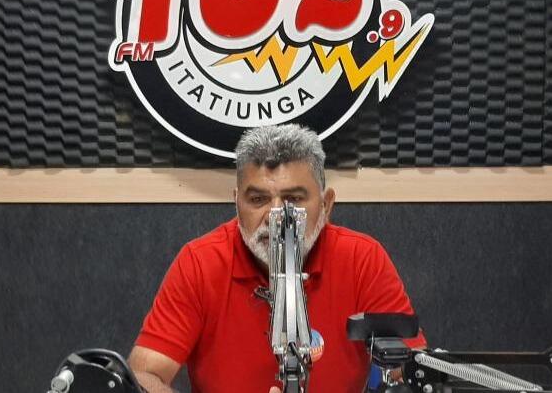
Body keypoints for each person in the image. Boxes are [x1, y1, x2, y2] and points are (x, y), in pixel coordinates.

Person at [128, 124, 425, 393]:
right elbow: (144, 375)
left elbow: (410, 370)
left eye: (294, 199)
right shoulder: (200, 263)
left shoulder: (362, 259)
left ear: (326, 204)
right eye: (258, 200)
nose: (276, 216)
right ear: (236, 203)